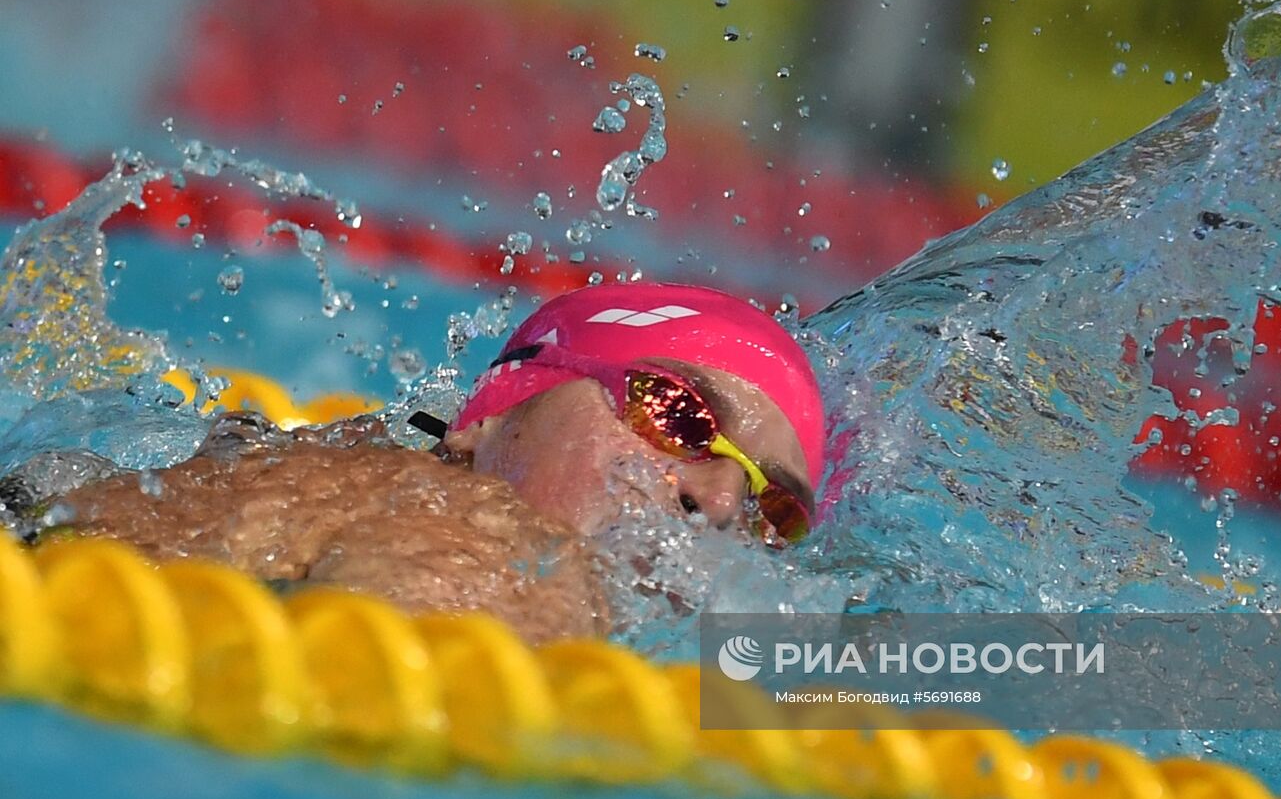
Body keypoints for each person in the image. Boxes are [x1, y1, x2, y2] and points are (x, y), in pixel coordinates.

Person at [49, 283, 825, 643]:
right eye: (676, 414)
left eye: (774, 512)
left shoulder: (338, 476)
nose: (720, 504)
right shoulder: (488, 540)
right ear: (488, 415)